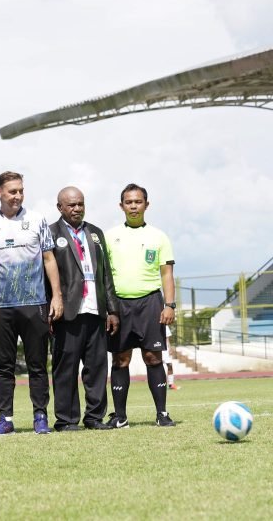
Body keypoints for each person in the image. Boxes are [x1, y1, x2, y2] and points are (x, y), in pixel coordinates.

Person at [0, 171, 63, 436]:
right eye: (12, 191)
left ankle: (40, 416)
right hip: (1, 306)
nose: (17, 196)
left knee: (37, 364)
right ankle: (5, 419)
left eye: (21, 191)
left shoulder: (37, 220)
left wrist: (56, 296)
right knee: (4, 366)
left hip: (34, 303)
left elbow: (49, 259)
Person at [105, 183, 176, 428]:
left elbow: (167, 274)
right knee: (120, 359)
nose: (133, 206)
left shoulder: (159, 236)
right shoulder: (110, 236)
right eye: (129, 202)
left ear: (147, 204)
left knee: (153, 357)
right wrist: (108, 309)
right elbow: (104, 275)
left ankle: (162, 414)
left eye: (138, 202)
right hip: (119, 305)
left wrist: (170, 305)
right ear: (121, 206)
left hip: (150, 302)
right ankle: (120, 417)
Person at [48, 186, 120, 431]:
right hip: (67, 311)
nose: (77, 208)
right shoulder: (50, 233)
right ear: (60, 207)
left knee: (97, 367)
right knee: (66, 368)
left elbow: (106, 274)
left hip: (95, 309)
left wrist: (112, 310)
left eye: (80, 204)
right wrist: (49, 307)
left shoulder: (95, 233)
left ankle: (94, 417)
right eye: (71, 205)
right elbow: (44, 275)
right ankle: (66, 420)